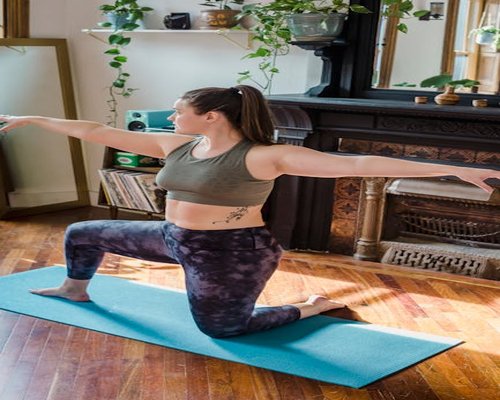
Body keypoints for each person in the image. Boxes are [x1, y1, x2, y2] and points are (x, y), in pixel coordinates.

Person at [0, 85, 498, 338]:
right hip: (173, 238)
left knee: (223, 330)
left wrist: (449, 170)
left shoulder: (263, 156)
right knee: (83, 231)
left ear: (212, 115)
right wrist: (36, 119)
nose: (172, 116)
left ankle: (310, 307)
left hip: (233, 252)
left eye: (180, 109)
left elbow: (359, 161)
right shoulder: (176, 143)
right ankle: (75, 289)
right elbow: (94, 130)